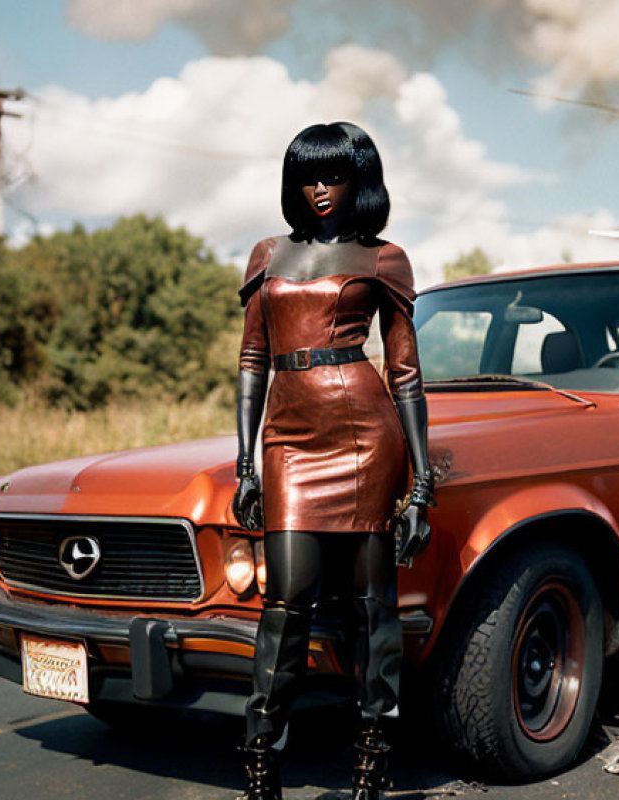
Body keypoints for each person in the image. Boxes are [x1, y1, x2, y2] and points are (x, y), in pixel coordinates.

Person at [232, 121, 434, 800]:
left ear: (360, 181)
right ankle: (260, 765)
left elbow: (405, 372)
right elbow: (252, 359)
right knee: (284, 604)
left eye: (334, 176)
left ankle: (373, 764)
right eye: (308, 177)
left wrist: (423, 482)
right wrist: (245, 463)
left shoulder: (384, 259)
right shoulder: (267, 254)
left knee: (372, 608)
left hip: (363, 434)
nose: (320, 190)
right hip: (288, 439)